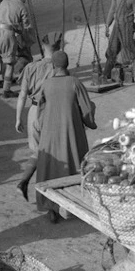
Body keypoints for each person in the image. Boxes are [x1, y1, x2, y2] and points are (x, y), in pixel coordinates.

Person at [35, 50, 97, 223]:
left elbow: (39, 110)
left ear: (53, 66)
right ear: (67, 64)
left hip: (50, 134)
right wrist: (91, 122)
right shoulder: (74, 83)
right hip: (72, 132)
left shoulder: (46, 84)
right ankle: (74, 204)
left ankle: (51, 207)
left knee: (51, 166)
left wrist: (42, 129)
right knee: (74, 163)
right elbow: (86, 109)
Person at [14, 31, 63, 201]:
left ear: (43, 47)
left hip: (33, 112)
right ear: (59, 48)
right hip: (51, 112)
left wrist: (18, 118)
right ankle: (49, 202)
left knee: (37, 153)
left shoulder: (30, 67)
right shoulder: (59, 69)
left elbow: (21, 95)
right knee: (52, 157)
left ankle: (24, 181)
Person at [0, 0, 33, 99]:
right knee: (10, 64)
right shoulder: (23, 6)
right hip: (7, 34)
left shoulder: (4, 1)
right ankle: (6, 90)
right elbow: (25, 27)